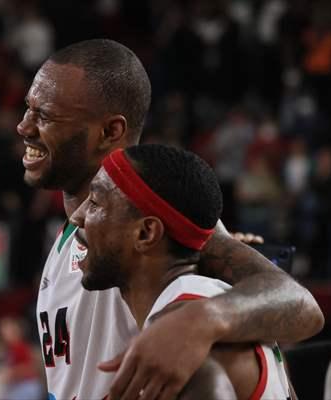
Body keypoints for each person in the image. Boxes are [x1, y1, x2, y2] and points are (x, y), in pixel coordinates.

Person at [16, 39, 323, 400]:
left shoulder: (160, 220)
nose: (24, 126)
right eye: (28, 109)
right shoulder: (71, 236)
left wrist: (202, 319)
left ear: (110, 132)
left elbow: (300, 306)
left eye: (45, 116)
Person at [70, 144, 293, 400]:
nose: (77, 217)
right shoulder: (226, 307)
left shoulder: (183, 348)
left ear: (146, 233)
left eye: (95, 203)